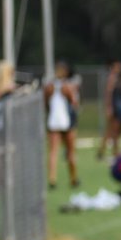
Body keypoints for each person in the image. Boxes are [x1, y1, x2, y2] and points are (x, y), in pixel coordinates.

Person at [44, 60, 81, 189]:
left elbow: (46, 104)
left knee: (53, 152)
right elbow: (74, 103)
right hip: (67, 122)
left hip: (53, 121)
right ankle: (73, 178)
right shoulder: (68, 86)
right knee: (70, 152)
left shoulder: (49, 86)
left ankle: (52, 179)